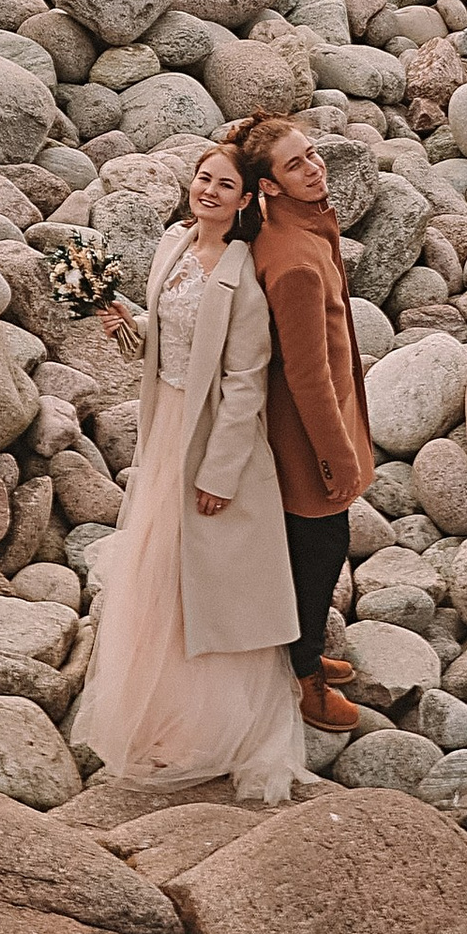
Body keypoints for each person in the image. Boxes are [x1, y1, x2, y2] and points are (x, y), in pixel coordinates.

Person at [67, 141, 306, 805]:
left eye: (224, 185)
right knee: (153, 569)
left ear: (244, 200)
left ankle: (208, 727)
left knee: (202, 576)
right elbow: (168, 344)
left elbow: (243, 386)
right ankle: (153, 714)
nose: (208, 191)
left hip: (209, 440)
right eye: (203, 179)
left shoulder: (243, 277)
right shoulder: (173, 244)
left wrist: (220, 476)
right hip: (165, 423)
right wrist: (122, 326)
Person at [234, 113, 378, 735]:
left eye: (312, 154)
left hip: (316, 425)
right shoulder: (293, 258)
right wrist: (336, 458)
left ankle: (305, 654)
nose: (314, 167)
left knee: (313, 550)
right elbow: (307, 376)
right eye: (295, 164)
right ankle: (304, 678)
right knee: (318, 555)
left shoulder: (302, 232)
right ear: (268, 186)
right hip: (306, 436)